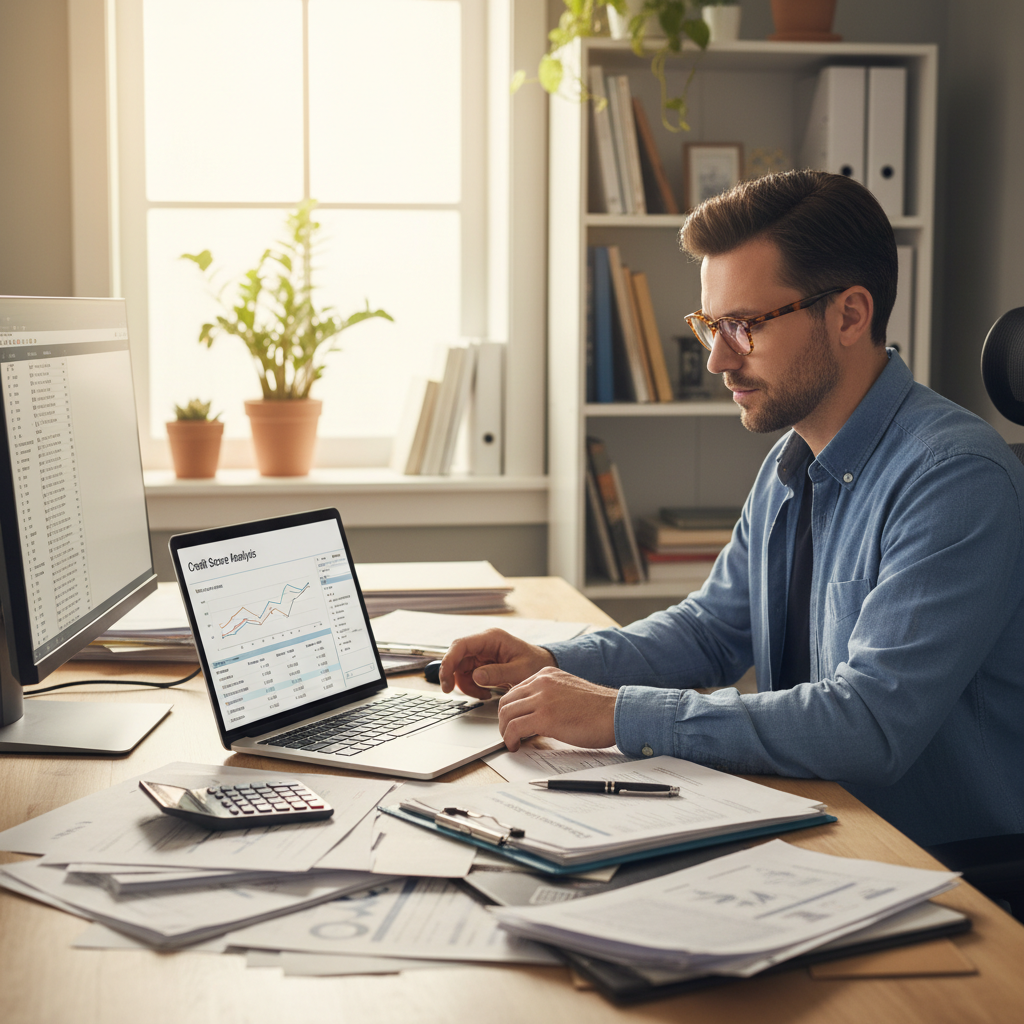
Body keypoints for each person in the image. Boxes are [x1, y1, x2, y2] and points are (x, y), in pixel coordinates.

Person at [440, 170, 1024, 849]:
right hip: (811, 819)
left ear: (849, 314)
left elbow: (870, 725)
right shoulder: (793, 460)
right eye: (711, 325)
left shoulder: (952, 477)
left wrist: (621, 714)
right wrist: (552, 662)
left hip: (930, 862)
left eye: (744, 326)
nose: (718, 358)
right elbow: (712, 631)